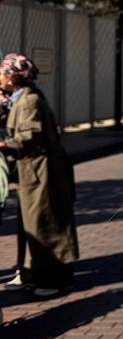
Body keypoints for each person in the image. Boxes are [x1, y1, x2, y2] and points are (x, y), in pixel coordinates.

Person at [0, 54, 79, 296]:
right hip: (34, 172)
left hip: (41, 172)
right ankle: (31, 273)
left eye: (2, 73)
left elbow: (29, 137)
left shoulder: (29, 102)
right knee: (33, 222)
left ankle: (52, 280)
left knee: (45, 223)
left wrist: (4, 145)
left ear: (13, 77)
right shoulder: (22, 99)